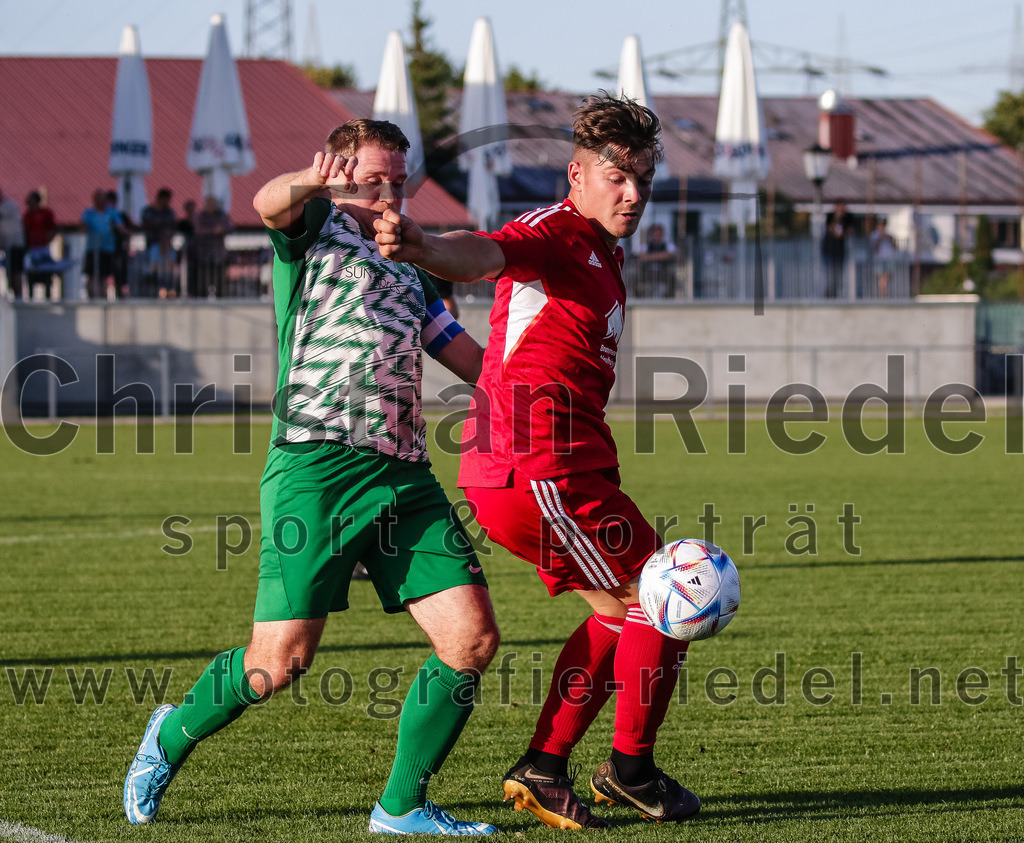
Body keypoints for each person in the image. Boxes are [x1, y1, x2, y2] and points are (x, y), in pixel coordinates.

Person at [123, 118, 501, 837]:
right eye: (372, 178)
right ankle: (169, 735)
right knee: (278, 662)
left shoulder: (413, 265)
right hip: (316, 467)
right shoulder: (315, 226)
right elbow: (267, 202)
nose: (387, 194)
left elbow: (468, 359)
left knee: (472, 640)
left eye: (398, 181)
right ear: (340, 172)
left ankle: (400, 807)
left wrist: (533, 386)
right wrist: (311, 182)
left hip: (403, 474)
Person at [374, 92, 701, 829]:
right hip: (537, 465)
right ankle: (628, 769)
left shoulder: (606, 254)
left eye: (644, 179)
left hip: (558, 466)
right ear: (576, 175)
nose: (633, 193)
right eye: (618, 177)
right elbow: (486, 249)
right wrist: (425, 247)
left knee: (623, 615)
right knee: (669, 594)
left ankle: (548, 767)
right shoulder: (554, 230)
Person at [81, 188, 126, 299]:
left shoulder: (112, 212)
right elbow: (82, 227)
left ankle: (102, 298)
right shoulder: (88, 213)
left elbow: (121, 228)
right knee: (91, 275)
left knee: (104, 276)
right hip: (92, 248)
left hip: (107, 248)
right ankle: (91, 297)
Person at [194, 195, 231, 296]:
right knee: (203, 280)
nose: (211, 206)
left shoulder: (221, 215)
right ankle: (201, 299)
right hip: (203, 254)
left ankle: (220, 298)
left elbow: (229, 227)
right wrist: (212, 231)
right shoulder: (200, 216)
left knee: (220, 280)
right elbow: (198, 230)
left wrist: (221, 230)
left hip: (218, 255)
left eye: (213, 204)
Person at [634, 222, 677, 298]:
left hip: (664, 274)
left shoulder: (669, 245)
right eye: (655, 234)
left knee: (672, 279)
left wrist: (650, 256)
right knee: (635, 277)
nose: (657, 236)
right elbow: (641, 257)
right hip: (648, 274)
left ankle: (670, 298)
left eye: (659, 234)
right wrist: (660, 255)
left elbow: (669, 255)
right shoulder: (646, 246)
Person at [0, 186, 26, 299]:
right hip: (7, 246)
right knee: (9, 271)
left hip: (15, 244)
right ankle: (13, 295)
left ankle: (18, 296)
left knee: (16, 271)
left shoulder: (8, 205)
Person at [821, 201, 850, 298]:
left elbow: (849, 232)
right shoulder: (830, 216)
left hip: (840, 252)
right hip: (829, 251)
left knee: (838, 276)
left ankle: (836, 295)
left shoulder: (847, 218)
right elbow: (829, 229)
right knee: (830, 275)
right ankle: (829, 295)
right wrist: (837, 218)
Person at [144, 230, 179, 298]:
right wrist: (164, 267)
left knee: (170, 275)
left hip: (168, 274)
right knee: (161, 274)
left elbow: (172, 265)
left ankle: (170, 293)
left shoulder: (172, 250)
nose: (167, 241)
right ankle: (161, 292)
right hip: (155, 274)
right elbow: (153, 266)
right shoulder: (154, 248)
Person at [869, 216, 896, 298]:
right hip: (879, 258)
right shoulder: (874, 235)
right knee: (881, 277)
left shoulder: (889, 235)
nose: (882, 226)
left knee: (886, 277)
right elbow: (874, 247)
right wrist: (880, 238)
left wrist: (887, 237)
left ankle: (884, 294)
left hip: (888, 258)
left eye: (883, 224)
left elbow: (894, 246)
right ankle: (882, 294)